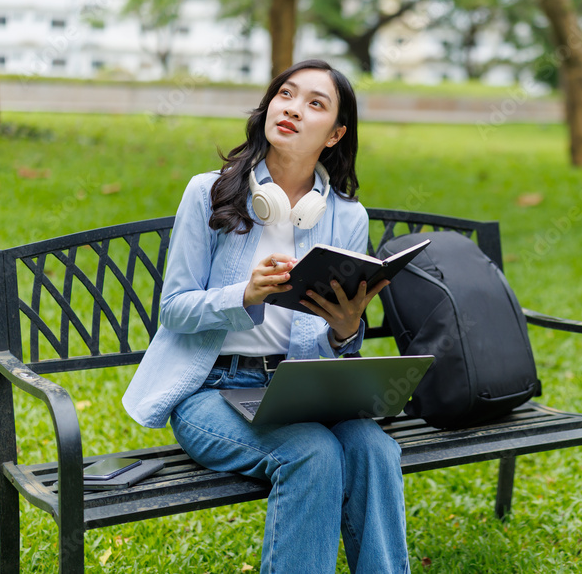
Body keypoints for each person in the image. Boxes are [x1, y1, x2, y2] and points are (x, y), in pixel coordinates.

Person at [122, 59, 410, 573]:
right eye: (286, 95)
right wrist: (244, 295)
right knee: (313, 454)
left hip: (301, 390)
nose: (294, 109)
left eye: (315, 104)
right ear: (269, 106)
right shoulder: (208, 192)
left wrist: (346, 332)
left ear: (335, 134)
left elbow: (336, 343)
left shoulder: (347, 216)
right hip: (210, 390)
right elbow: (174, 309)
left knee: (375, 450)